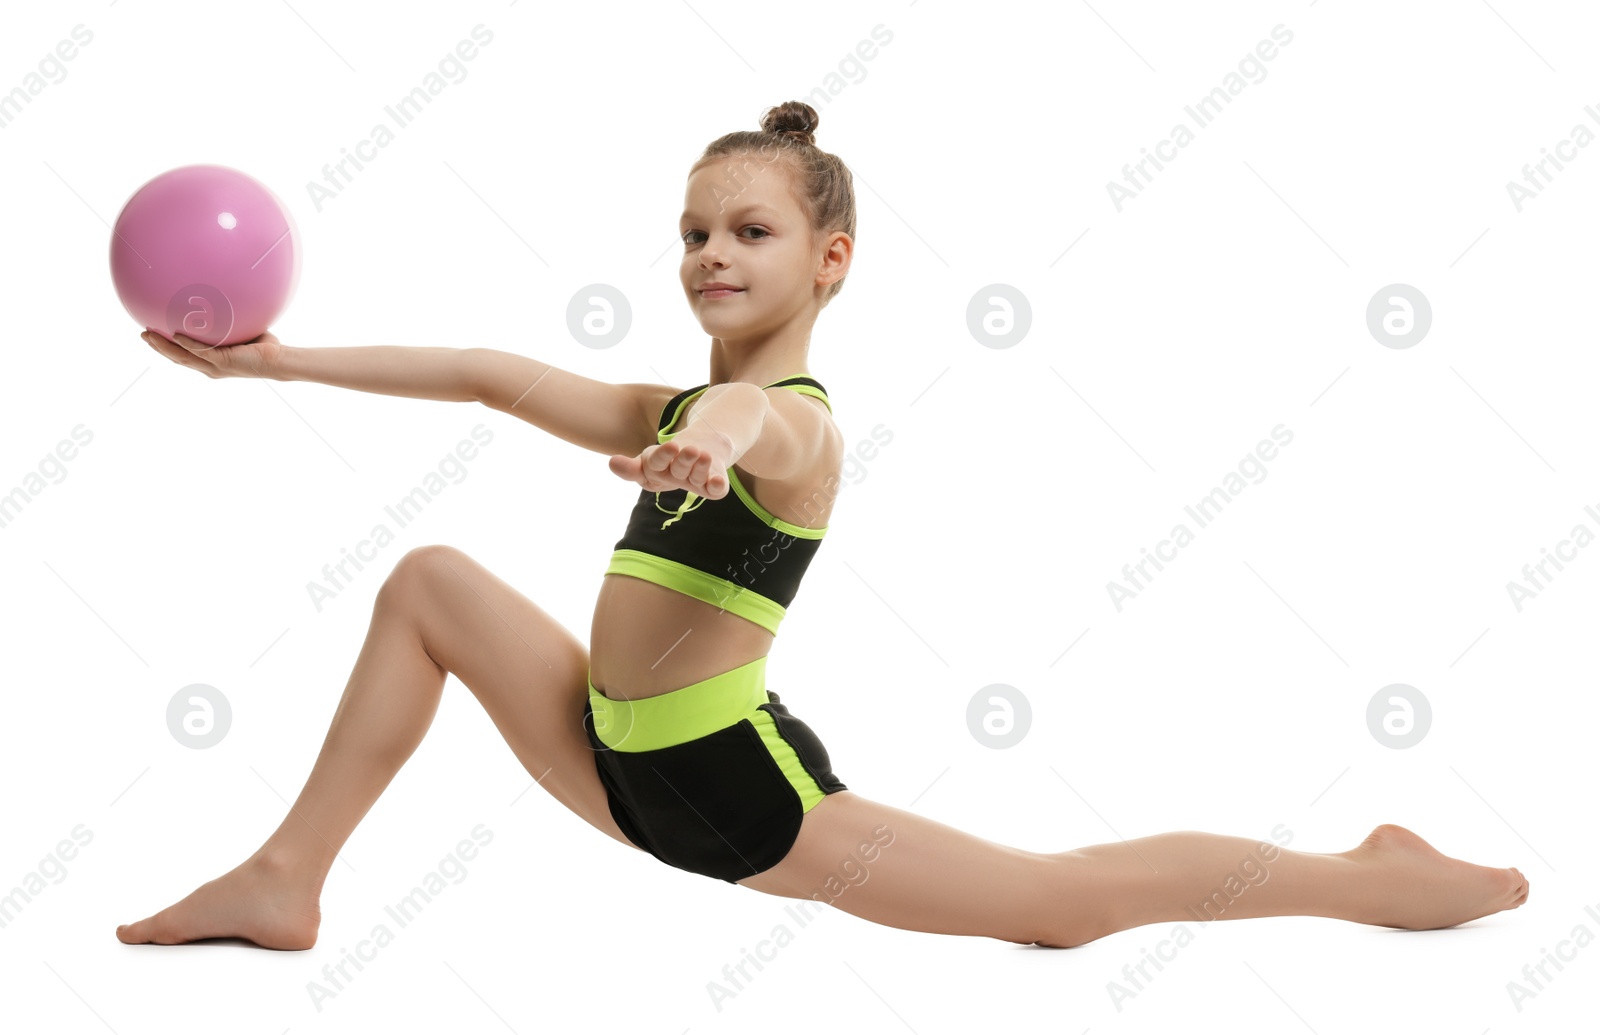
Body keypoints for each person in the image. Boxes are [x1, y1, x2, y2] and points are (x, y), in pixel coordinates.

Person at [117, 101, 1528, 950]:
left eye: (749, 231)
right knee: (430, 578)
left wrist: (701, 449)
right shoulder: (672, 401)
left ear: (829, 260)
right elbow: (494, 373)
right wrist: (279, 363)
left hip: (735, 799)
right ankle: (285, 877)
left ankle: (1369, 882)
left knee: (1056, 905)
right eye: (692, 232)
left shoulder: (787, 421)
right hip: (618, 762)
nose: (710, 256)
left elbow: (749, 431)